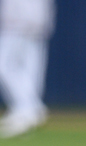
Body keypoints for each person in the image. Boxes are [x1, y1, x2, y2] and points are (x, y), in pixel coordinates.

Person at [0, 0, 55, 138]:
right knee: (30, 71)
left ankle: (29, 108)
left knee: (6, 66)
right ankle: (25, 111)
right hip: (36, 21)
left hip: (18, 21)